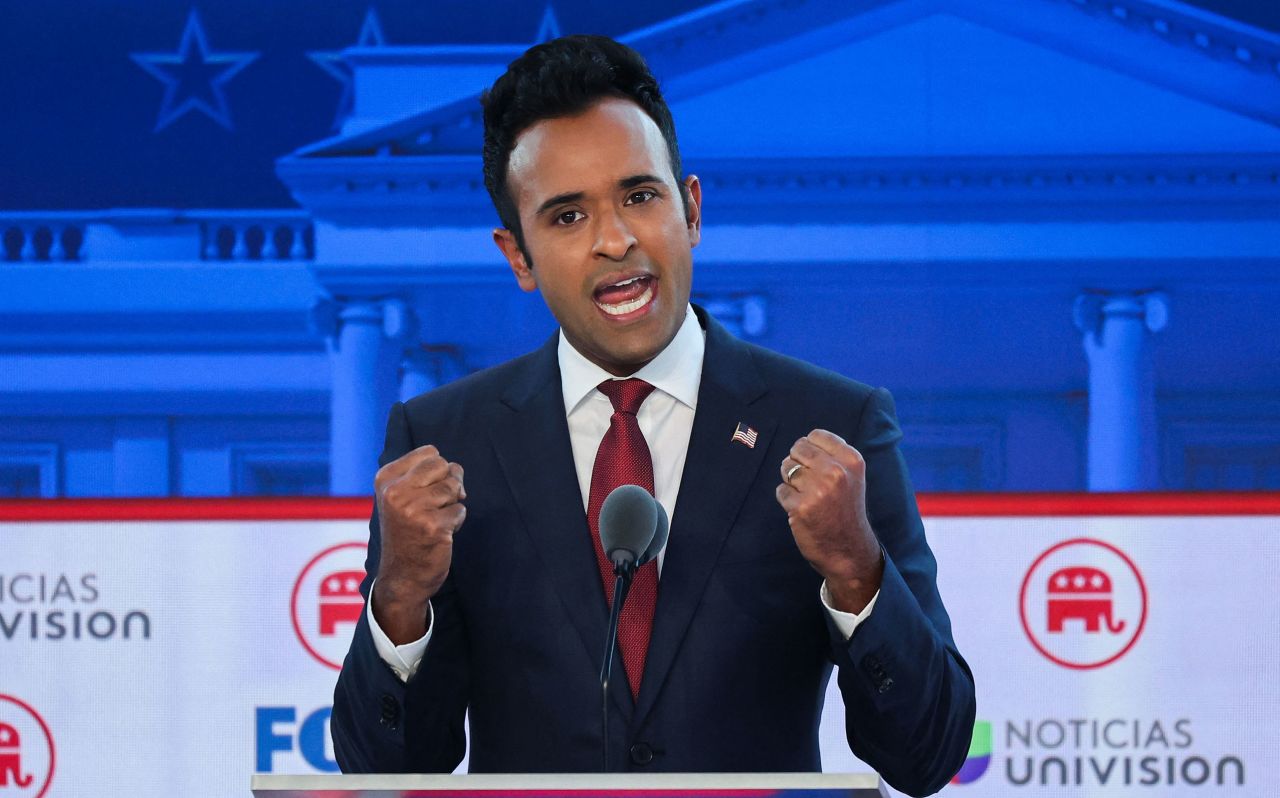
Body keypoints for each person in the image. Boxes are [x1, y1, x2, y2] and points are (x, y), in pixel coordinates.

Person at [331, 34, 975, 796]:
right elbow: (386, 773)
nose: (616, 239)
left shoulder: (831, 424)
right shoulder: (445, 441)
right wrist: (401, 598)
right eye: (567, 217)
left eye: (640, 196)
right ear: (519, 257)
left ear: (691, 208)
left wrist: (858, 570)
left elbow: (929, 756)